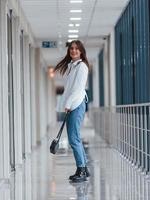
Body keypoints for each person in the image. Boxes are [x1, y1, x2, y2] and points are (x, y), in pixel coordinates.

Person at [55, 40, 90, 182]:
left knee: (74, 138)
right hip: (73, 104)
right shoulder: (72, 67)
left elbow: (78, 88)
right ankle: (84, 168)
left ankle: (81, 169)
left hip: (76, 104)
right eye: (71, 49)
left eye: (76, 49)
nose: (73, 51)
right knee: (74, 137)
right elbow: (69, 89)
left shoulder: (82, 67)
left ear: (81, 51)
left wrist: (68, 104)